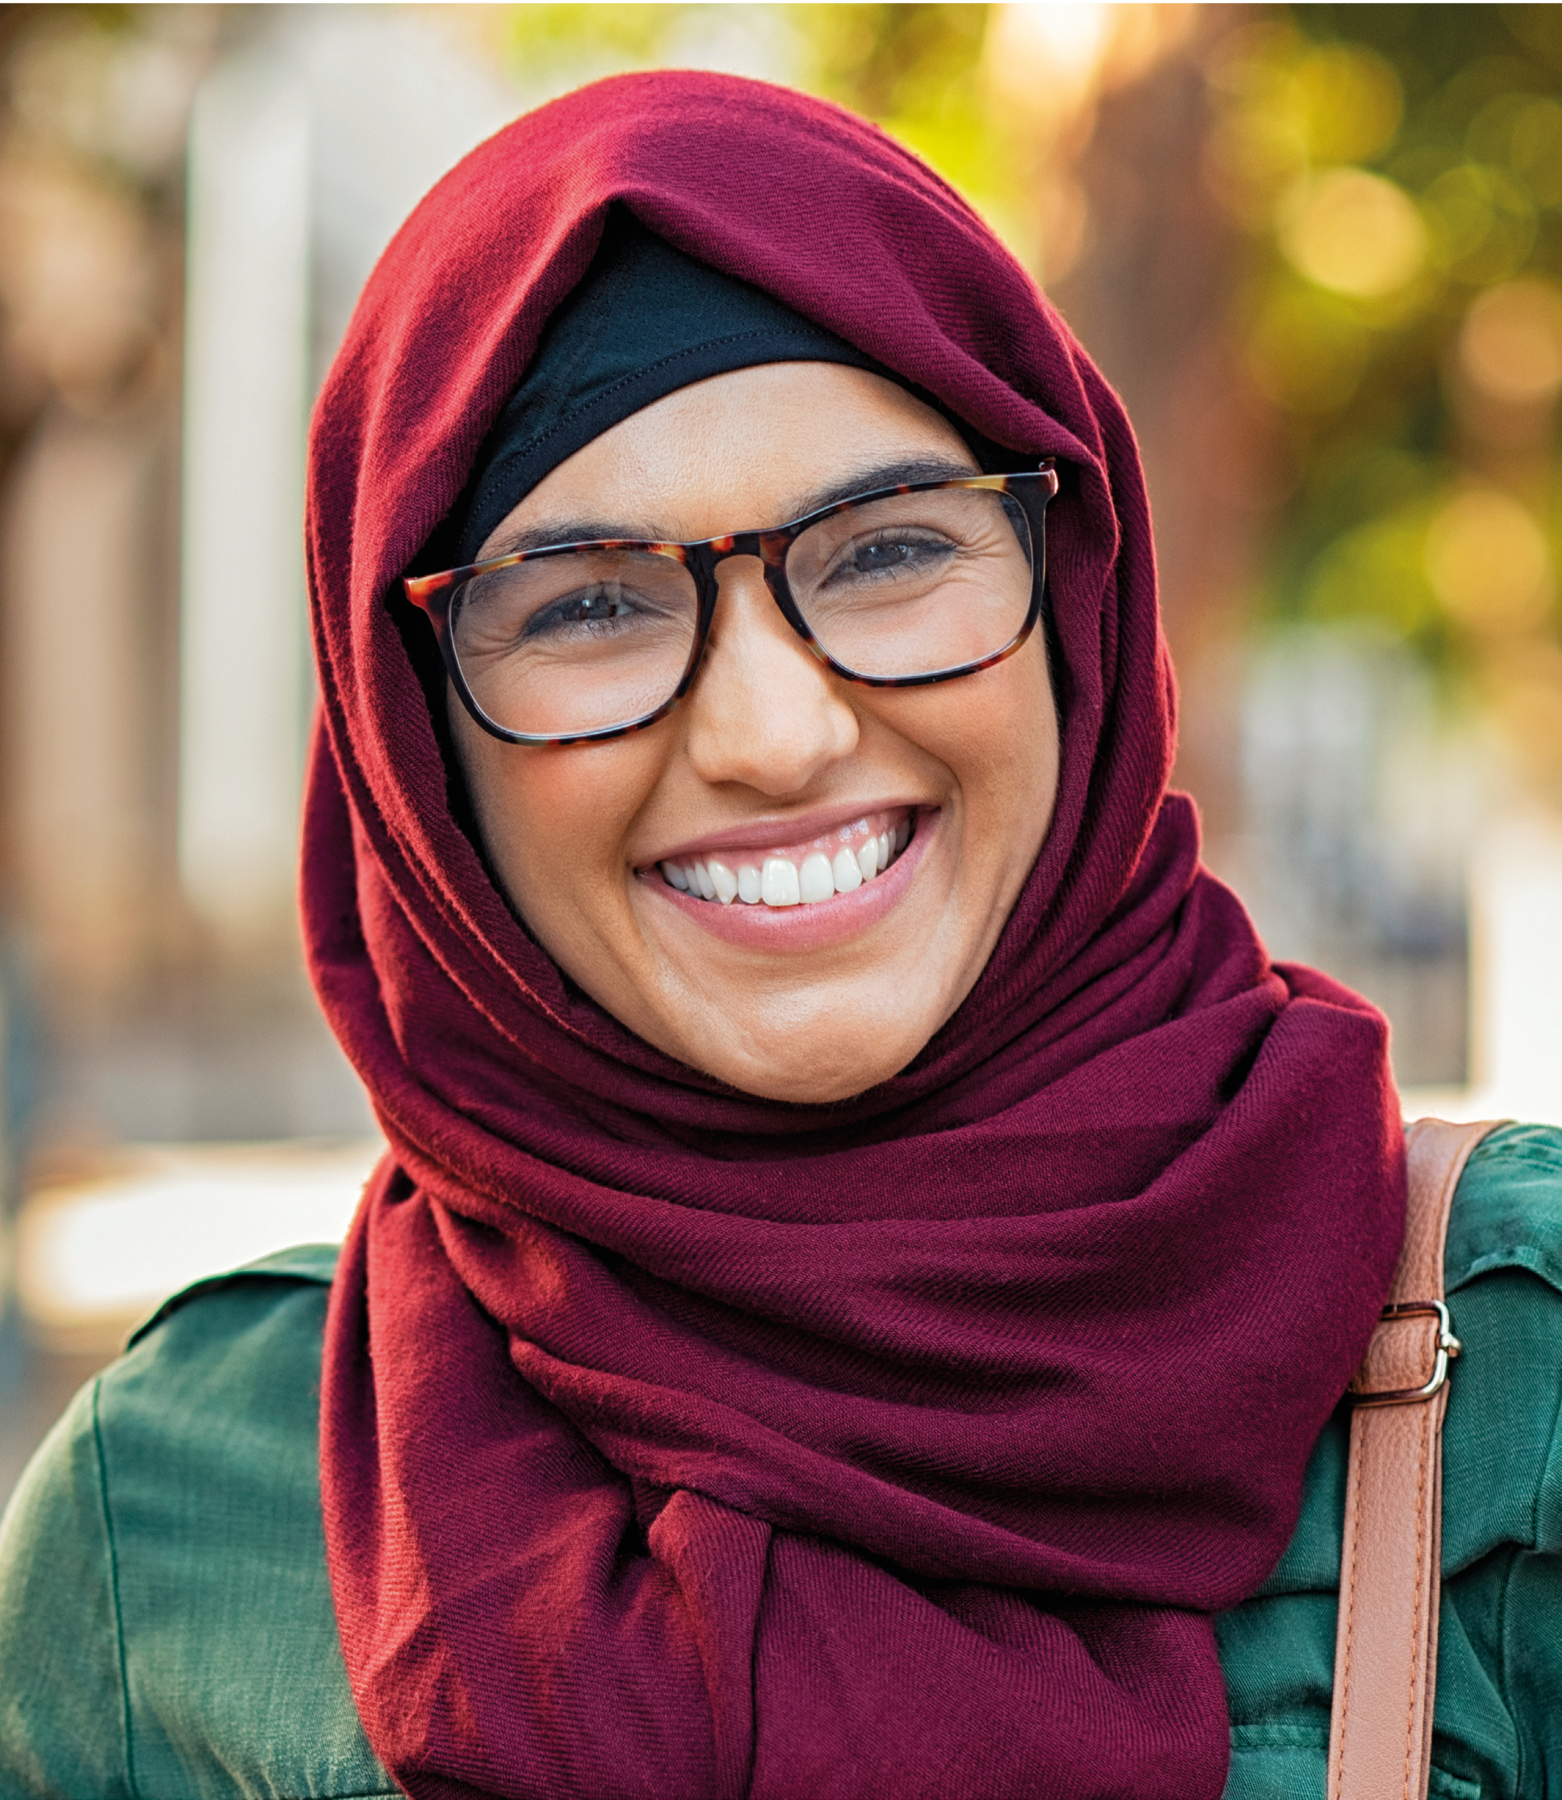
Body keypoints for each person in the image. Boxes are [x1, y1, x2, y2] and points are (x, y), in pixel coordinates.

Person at [1, 70, 1559, 1800]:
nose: (774, 733)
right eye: (588, 602)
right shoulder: (178, 1515)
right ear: (407, 745)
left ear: (1075, 602)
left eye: (890, 549)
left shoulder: (1519, 1364)